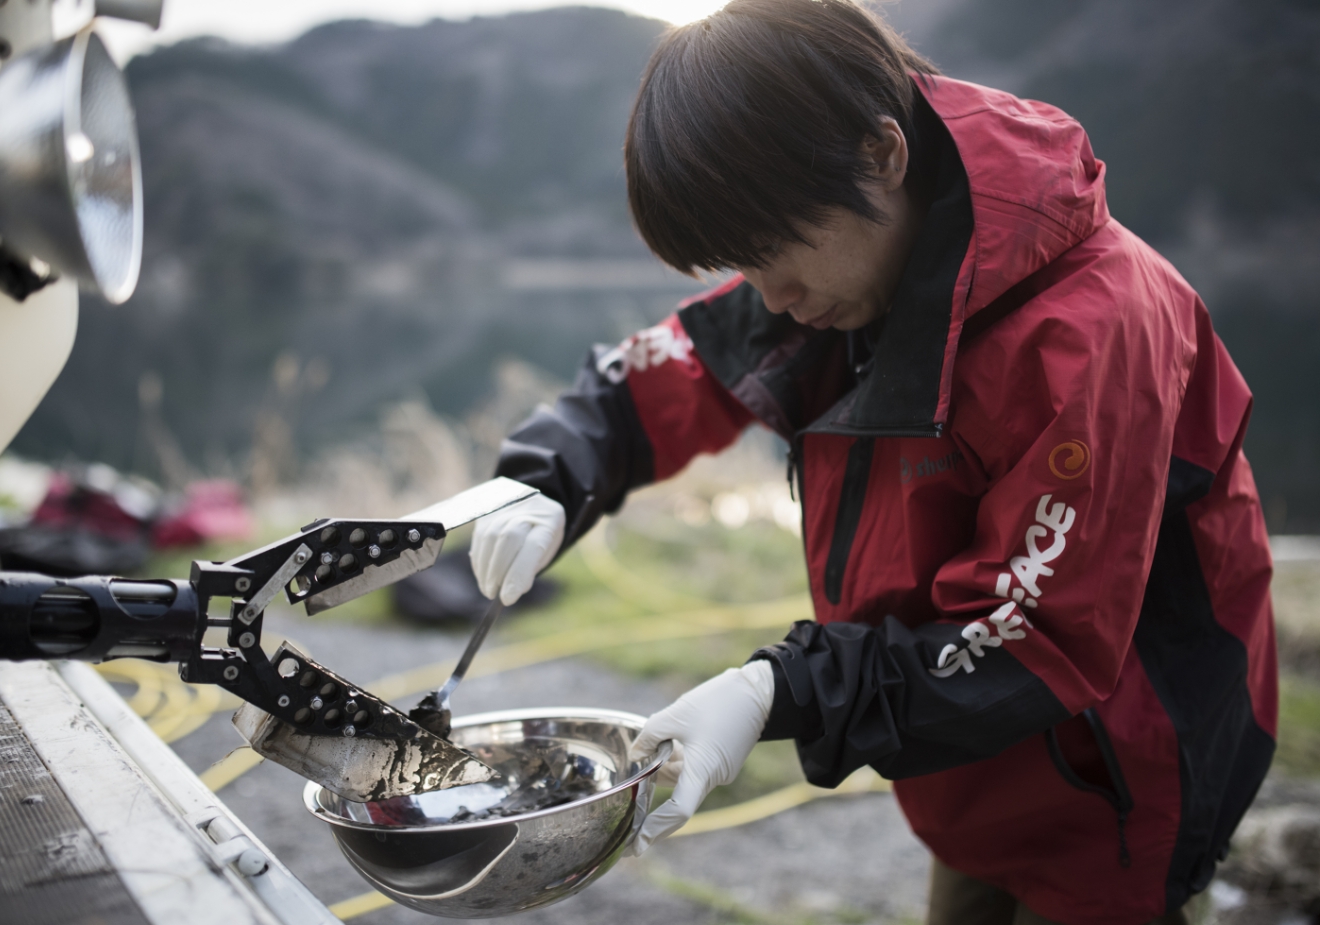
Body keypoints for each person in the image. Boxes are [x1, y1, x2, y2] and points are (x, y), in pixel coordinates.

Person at [468, 1, 1277, 922]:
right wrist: (546, 477)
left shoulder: (1091, 329)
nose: (770, 295)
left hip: (1117, 787)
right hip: (963, 767)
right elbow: (669, 373)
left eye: (774, 252)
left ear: (882, 153)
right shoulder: (849, 259)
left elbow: (1033, 637)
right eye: (743, 262)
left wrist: (778, 687)